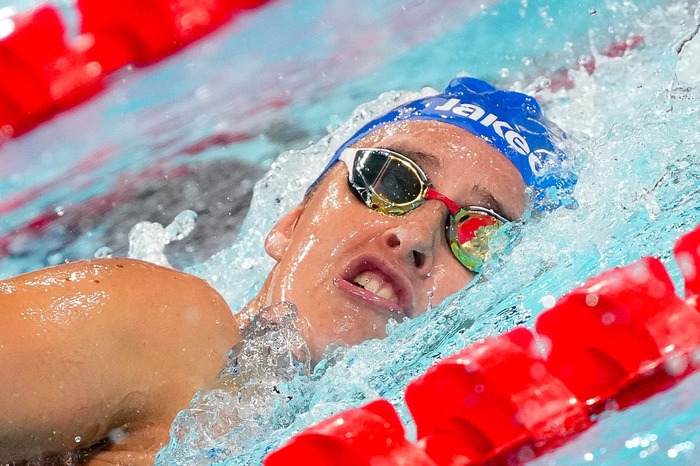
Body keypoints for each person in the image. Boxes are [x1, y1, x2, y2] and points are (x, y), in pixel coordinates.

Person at [0, 77, 575, 465]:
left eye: (478, 234)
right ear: (290, 222)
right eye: (391, 180)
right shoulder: (165, 328)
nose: (416, 237)